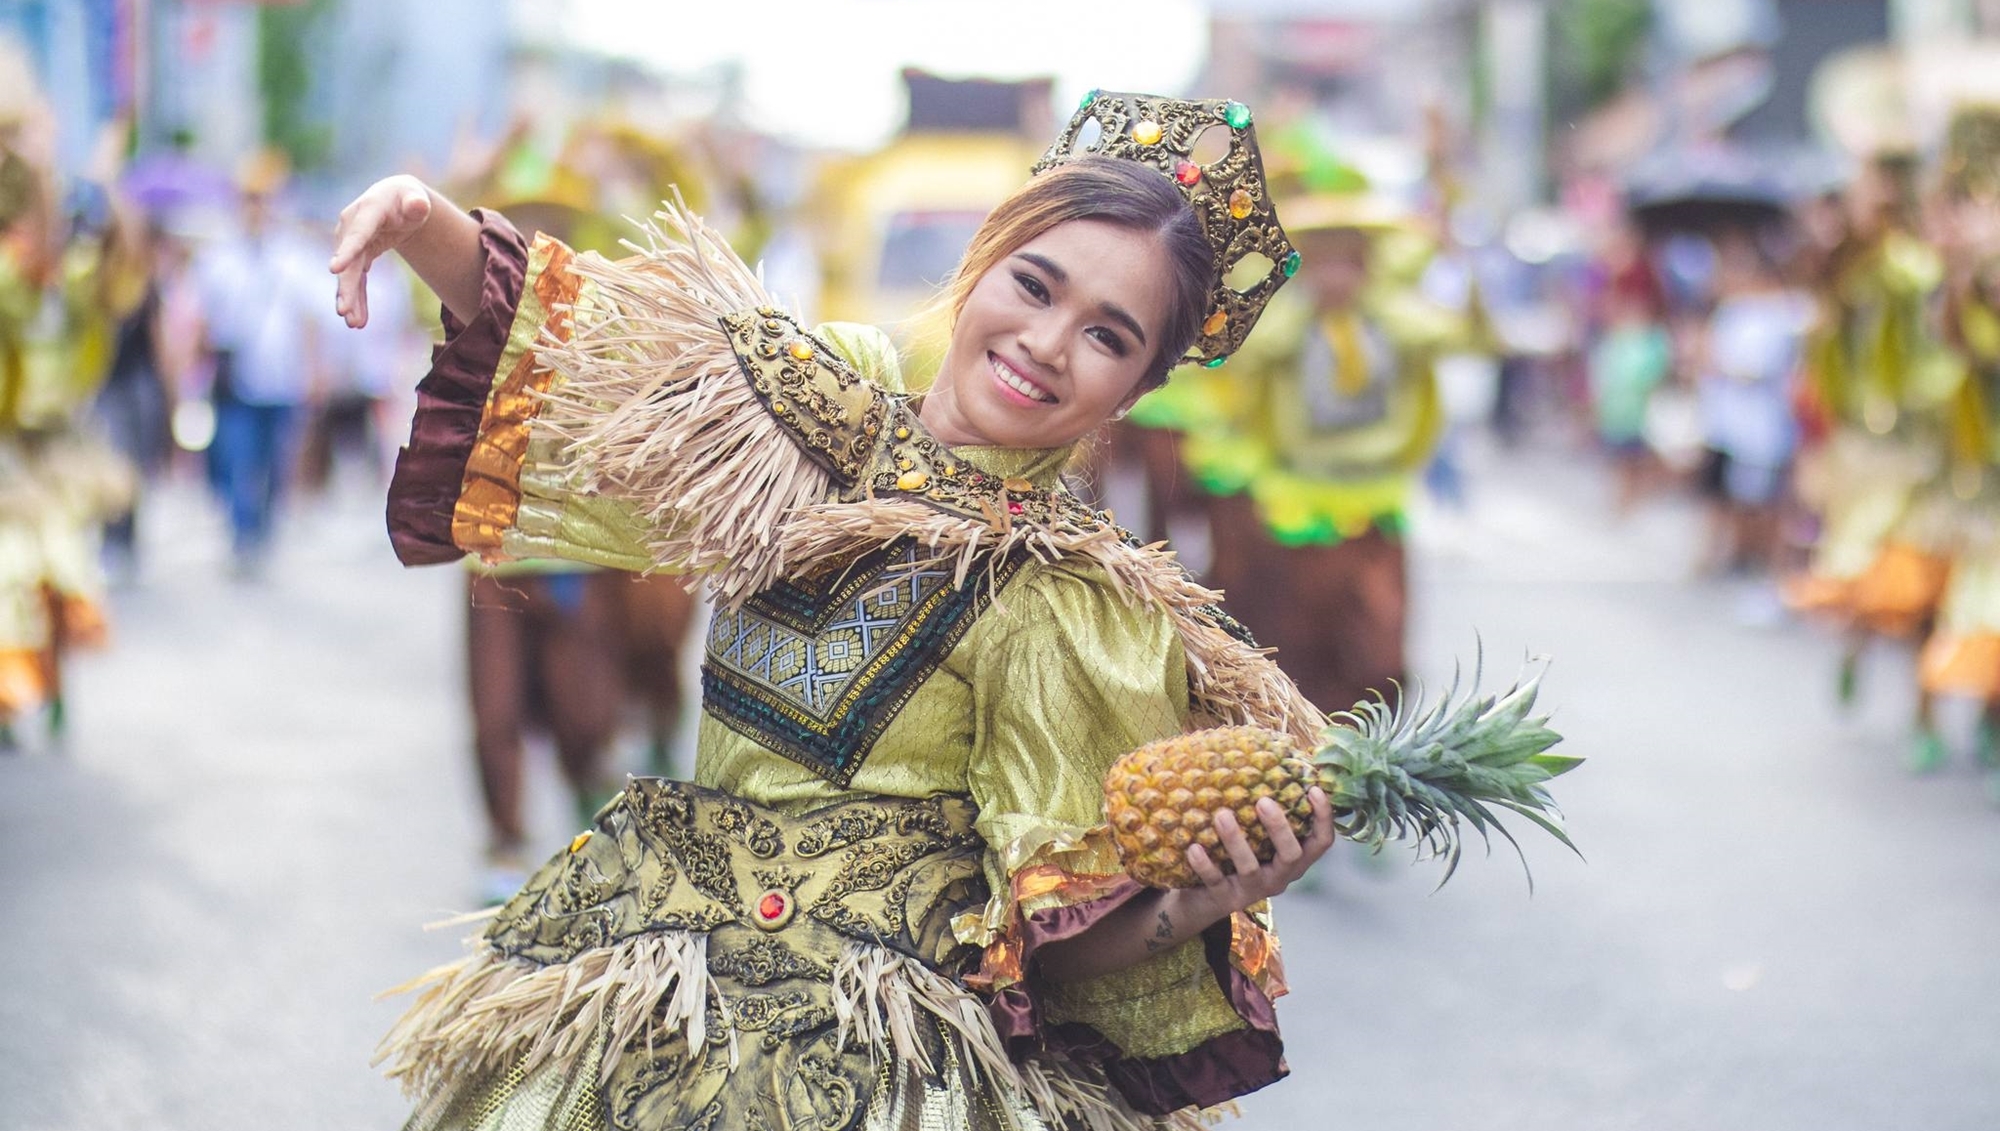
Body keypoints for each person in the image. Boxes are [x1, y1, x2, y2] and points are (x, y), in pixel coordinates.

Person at [337, 93, 1336, 1129]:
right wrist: (422, 219)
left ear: (1134, 389)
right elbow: (591, 350)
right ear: (983, 261)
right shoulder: (814, 419)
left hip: (883, 1072)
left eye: (1107, 336)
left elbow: (1059, 943)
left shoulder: (1072, 605)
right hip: (655, 996)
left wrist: (1198, 900)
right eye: (1034, 284)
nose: (1045, 342)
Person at [191, 150, 327, 577]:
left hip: (283, 380)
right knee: (235, 458)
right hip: (235, 381)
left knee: (275, 463)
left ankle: (262, 530)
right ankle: (242, 533)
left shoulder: (294, 256)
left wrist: (315, 371)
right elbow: (204, 320)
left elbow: (309, 320)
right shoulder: (219, 257)